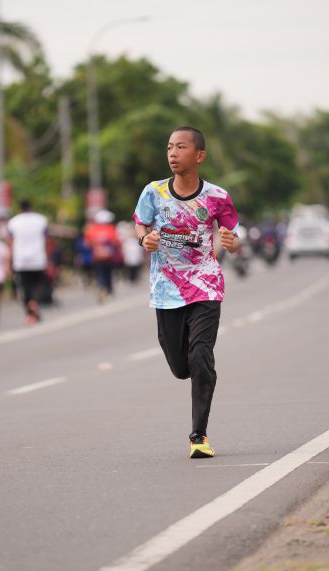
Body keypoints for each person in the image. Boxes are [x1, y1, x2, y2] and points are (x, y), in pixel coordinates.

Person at [133, 126, 241, 459]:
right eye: (169, 147)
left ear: (199, 155)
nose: (173, 153)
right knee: (181, 368)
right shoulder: (153, 192)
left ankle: (199, 435)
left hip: (205, 284)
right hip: (166, 289)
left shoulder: (217, 196)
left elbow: (233, 236)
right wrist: (145, 238)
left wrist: (233, 243)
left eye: (181, 147)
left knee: (201, 356)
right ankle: (196, 373)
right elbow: (140, 224)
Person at [7, 199, 48, 324]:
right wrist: (48, 258)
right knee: (40, 284)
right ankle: (35, 302)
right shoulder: (41, 220)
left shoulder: (13, 222)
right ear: (31, 207)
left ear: (20, 208)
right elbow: (46, 240)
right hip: (38, 258)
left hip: (20, 260)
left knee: (25, 288)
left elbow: (10, 243)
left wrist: (9, 262)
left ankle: (30, 315)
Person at [84, 209, 120, 303]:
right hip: (108, 258)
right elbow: (116, 242)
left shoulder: (91, 229)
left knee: (99, 275)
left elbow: (87, 243)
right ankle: (108, 291)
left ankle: (101, 288)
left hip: (97, 258)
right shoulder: (111, 228)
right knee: (108, 275)